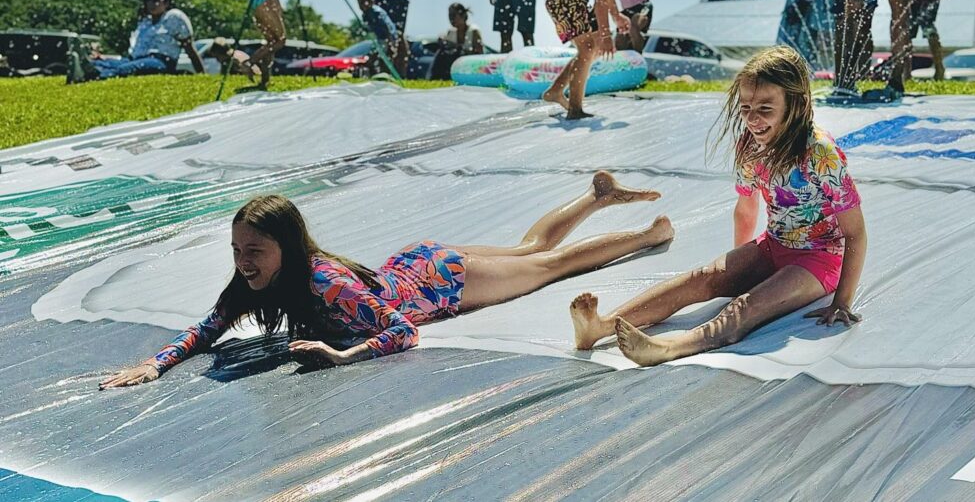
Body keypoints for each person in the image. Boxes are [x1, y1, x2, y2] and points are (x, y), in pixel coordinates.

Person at [99, 173, 673, 388]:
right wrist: (156, 364)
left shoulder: (325, 283)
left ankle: (647, 235)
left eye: (254, 250)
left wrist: (343, 355)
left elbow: (402, 332)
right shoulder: (257, 283)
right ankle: (596, 197)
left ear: (287, 248)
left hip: (444, 280)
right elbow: (207, 328)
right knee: (532, 248)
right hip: (414, 262)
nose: (243, 260)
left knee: (552, 263)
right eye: (237, 250)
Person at [569, 46, 867, 367]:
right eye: (746, 107)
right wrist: (739, 268)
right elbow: (746, 209)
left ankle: (669, 347)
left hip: (819, 262)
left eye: (766, 108)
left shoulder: (819, 153)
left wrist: (842, 301)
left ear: (796, 104)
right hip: (773, 245)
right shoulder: (751, 146)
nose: (753, 119)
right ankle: (600, 327)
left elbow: (857, 233)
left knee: (745, 307)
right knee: (703, 277)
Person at [68, 0, 203, 83]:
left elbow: (189, 48)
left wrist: (202, 74)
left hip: (160, 61)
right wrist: (104, 57)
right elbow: (134, 52)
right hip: (137, 58)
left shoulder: (174, 18)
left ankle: (92, 76)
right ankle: (88, 68)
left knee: (126, 69)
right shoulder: (146, 22)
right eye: (148, 0)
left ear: (166, 2)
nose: (151, 4)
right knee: (107, 63)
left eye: (156, 0)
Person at [356, 0, 408, 77]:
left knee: (384, 59)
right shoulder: (365, 14)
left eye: (364, 2)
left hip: (388, 38)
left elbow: (387, 28)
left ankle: (385, 76)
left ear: (371, 1)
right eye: (360, 3)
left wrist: (391, 43)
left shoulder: (376, 12)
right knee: (375, 59)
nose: (362, 5)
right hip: (380, 39)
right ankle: (378, 75)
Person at [432, 3, 485, 79]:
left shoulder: (473, 31)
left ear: (462, 16)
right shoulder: (451, 32)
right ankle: (437, 77)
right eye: (449, 16)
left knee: (458, 51)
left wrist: (460, 48)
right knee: (441, 51)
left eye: (453, 15)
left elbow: (480, 55)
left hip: (469, 65)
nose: (451, 19)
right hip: (455, 65)